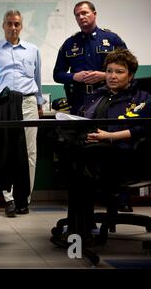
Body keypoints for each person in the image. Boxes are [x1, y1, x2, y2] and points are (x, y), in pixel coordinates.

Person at [65, 49, 150, 239]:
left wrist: (109, 136)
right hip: (93, 153)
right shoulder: (97, 95)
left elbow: (142, 129)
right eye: (109, 71)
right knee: (74, 163)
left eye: (119, 71)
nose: (112, 76)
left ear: (131, 75)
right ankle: (80, 227)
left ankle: (79, 229)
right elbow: (81, 119)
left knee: (79, 173)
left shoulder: (142, 98)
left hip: (125, 158)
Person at [0, 9, 45, 217]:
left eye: (17, 24)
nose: (13, 28)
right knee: (6, 151)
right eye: (9, 23)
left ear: (22, 26)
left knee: (29, 152)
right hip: (3, 103)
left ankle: (24, 199)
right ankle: (9, 199)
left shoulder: (33, 50)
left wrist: (38, 103)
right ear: (3, 25)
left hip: (27, 102)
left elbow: (37, 78)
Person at [53, 1, 127, 115]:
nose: (81, 17)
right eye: (77, 15)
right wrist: (74, 77)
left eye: (84, 13)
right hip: (79, 101)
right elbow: (57, 74)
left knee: (106, 131)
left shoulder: (112, 39)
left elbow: (129, 69)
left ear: (94, 14)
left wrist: (104, 76)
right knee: (81, 133)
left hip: (108, 98)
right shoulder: (69, 43)